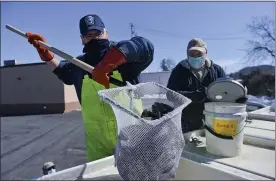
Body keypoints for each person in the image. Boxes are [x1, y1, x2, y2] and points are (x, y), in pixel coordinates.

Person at [25, 14, 154, 162]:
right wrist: (45, 53)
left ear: (106, 33)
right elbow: (61, 70)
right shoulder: (78, 64)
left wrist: (109, 63)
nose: (94, 38)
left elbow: (145, 47)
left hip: (133, 144)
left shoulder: (126, 58)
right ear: (82, 39)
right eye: (88, 35)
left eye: (98, 33)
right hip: (98, 149)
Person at [167, 38, 247, 133]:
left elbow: (226, 91)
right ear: (187, 53)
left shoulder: (217, 70)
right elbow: (170, 94)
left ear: (206, 52)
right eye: (192, 54)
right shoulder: (179, 71)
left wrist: (237, 99)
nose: (195, 57)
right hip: (187, 123)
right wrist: (194, 95)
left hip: (214, 121)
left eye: (199, 54)